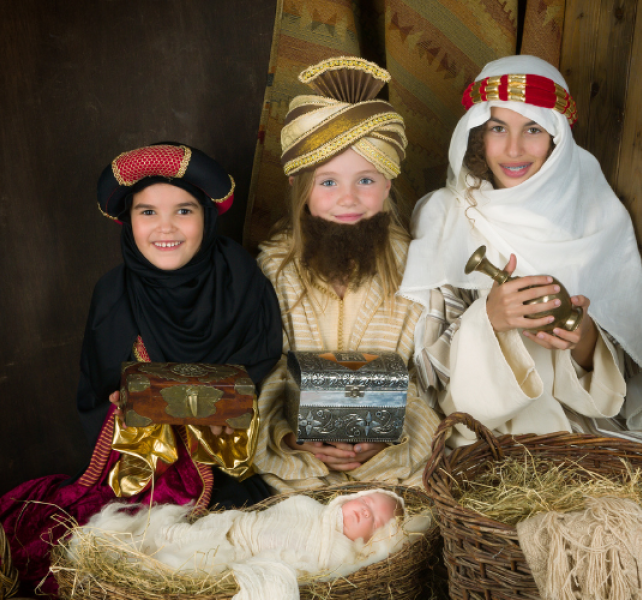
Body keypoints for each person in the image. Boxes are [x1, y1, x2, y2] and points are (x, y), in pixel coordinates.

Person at [0, 142, 283, 596]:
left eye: (184, 211)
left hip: (237, 462)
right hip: (146, 470)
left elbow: (265, 375)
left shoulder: (244, 280)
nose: (165, 227)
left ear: (208, 217)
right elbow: (99, 393)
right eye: (147, 212)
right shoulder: (113, 292)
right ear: (128, 222)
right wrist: (126, 407)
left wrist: (192, 400)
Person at [399, 55, 642, 464]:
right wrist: (490, 320)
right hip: (485, 434)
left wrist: (584, 339)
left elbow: (626, 381)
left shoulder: (597, 213)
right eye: (498, 128)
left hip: (582, 430)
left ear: (556, 139)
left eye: (533, 129)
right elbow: (426, 375)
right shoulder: (444, 214)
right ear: (478, 137)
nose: (514, 149)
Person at [252, 56, 441, 492]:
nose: (349, 199)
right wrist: (295, 435)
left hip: (392, 463)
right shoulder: (273, 267)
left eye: (366, 181)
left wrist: (387, 437)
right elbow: (273, 371)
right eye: (328, 182)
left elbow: (422, 376)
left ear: (388, 184)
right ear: (299, 187)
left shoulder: (417, 269)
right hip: (298, 462)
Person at [71, 490, 408, 600]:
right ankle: (147, 547)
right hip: (238, 528)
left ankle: (158, 561)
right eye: (366, 501)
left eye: (374, 519)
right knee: (188, 534)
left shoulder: (342, 552)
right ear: (349, 497)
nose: (366, 510)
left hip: (245, 553)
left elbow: (318, 569)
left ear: (374, 539)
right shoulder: (309, 505)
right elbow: (278, 511)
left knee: (193, 562)